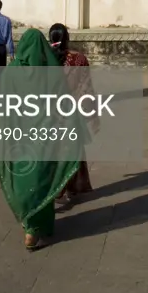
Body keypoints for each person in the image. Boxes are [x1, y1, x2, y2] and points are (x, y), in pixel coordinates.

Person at [0, 29, 85, 250]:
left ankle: (31, 229)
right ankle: (37, 226)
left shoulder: (12, 71)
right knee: (42, 181)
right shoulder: (52, 72)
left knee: (25, 181)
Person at [48, 23, 96, 199]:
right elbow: (86, 89)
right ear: (67, 38)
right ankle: (72, 186)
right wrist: (92, 115)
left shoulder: (43, 60)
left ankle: (55, 187)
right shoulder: (79, 60)